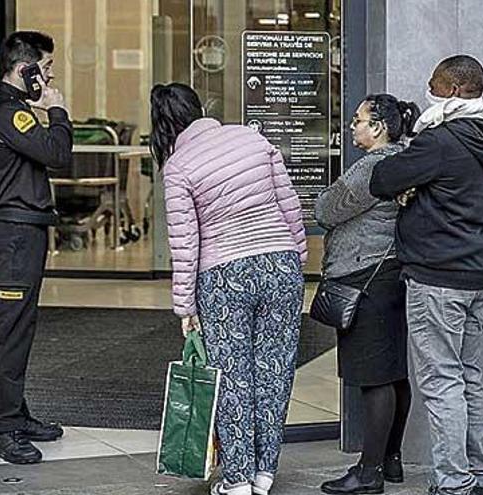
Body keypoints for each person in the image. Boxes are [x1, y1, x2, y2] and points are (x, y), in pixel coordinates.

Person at [152, 83, 307, 495]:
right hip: (280, 264)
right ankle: (264, 473)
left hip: (225, 275)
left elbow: (184, 244)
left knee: (232, 375)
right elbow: (288, 202)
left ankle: (237, 478)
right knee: (274, 370)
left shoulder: (179, 166)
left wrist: (184, 306)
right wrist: (297, 256)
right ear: (200, 108)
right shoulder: (251, 138)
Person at [369, 54, 483, 495]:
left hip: (438, 275)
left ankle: (453, 483)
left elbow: (383, 178)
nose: (427, 90)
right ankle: (475, 476)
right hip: (476, 271)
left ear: (449, 90)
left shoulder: (440, 140)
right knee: (468, 376)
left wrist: (411, 186)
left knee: (442, 379)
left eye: (432, 84)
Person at [0, 31, 71, 465]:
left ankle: (16, 413)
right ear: (24, 70)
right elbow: (57, 152)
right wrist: (58, 109)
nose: (49, 78)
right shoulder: (10, 114)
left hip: (22, 232)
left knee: (20, 328)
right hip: (13, 237)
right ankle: (4, 430)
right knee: (9, 332)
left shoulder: (4, 110)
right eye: (45, 70)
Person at [315, 94, 419, 494]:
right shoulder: (405, 159)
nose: (352, 126)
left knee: (374, 378)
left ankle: (368, 472)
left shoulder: (373, 167)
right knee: (393, 373)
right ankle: (389, 461)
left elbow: (325, 210)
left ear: (377, 127)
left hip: (365, 278)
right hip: (391, 275)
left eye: (358, 119)